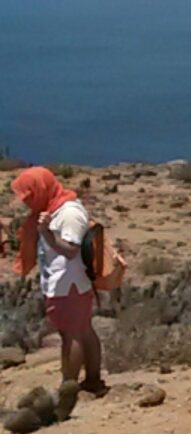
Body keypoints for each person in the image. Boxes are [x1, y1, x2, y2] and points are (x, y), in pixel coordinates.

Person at [12, 167, 106, 396]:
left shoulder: (68, 213)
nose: (27, 204)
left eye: (30, 197)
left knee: (71, 334)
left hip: (68, 285)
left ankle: (69, 387)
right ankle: (92, 380)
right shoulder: (53, 209)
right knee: (82, 330)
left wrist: (46, 233)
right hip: (69, 283)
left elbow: (71, 250)